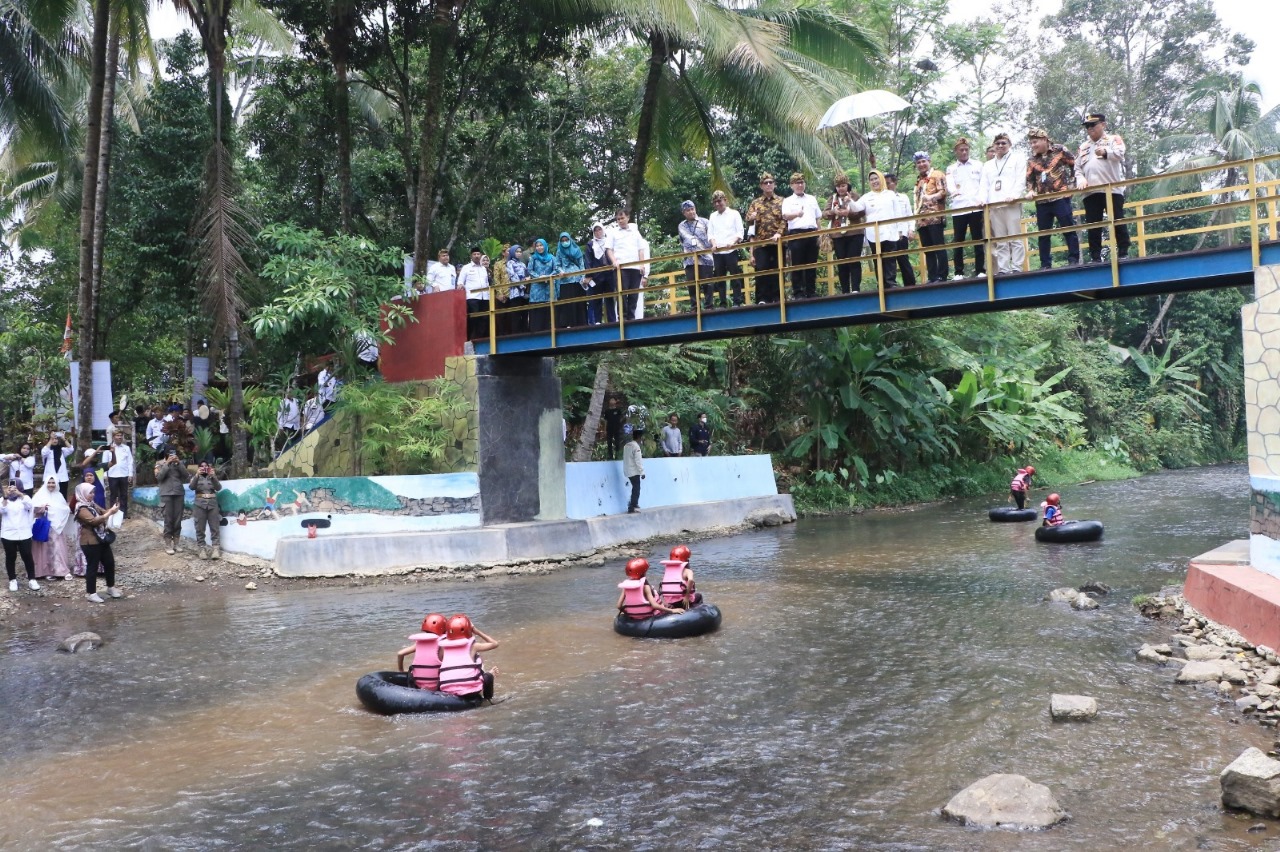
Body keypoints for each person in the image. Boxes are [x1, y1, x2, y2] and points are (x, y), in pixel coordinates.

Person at [1077, 113, 1131, 264]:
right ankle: (1095, 256)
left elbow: (1120, 153)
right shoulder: (1083, 146)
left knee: (1117, 220)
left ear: (1103, 125)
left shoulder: (1113, 139)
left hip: (1111, 188)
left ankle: (1123, 251)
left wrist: (1106, 152)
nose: (1090, 128)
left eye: (1093, 125)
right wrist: (1080, 178)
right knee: (1093, 225)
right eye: (1087, 126)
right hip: (1090, 192)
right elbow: (1077, 168)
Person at [1025, 127, 1080, 269]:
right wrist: (1030, 190)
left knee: (1068, 228)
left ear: (1044, 139)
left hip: (1060, 196)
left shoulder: (1059, 150)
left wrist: (1072, 185)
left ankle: (1073, 259)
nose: (1033, 145)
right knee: (1044, 234)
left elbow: (1074, 165)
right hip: (1042, 201)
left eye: (1035, 142)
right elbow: (1029, 178)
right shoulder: (1031, 159)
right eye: (1031, 143)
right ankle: (1045, 264)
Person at [978, 132, 1028, 275]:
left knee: (1014, 236)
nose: (1000, 146)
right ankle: (1003, 269)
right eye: (997, 143)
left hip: (1011, 203)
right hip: (994, 205)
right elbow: (984, 185)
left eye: (1003, 143)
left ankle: (1017, 267)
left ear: (1009, 145)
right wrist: (982, 199)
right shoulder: (988, 165)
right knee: (1000, 239)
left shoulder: (1017, 159)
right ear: (994, 146)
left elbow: (1020, 180)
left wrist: (1015, 195)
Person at [75, 481, 122, 603]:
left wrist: (113, 509)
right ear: (83, 493)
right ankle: (91, 593)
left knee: (109, 563)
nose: (92, 495)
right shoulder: (81, 508)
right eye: (90, 493)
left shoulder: (92, 504)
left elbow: (104, 512)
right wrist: (110, 513)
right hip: (90, 542)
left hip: (101, 539)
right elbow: (94, 521)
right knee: (92, 567)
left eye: (93, 493)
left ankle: (110, 587)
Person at [946, 137, 985, 279]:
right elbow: (950, 185)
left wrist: (982, 199)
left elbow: (983, 184)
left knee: (978, 239)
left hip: (976, 206)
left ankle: (980, 270)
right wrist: (954, 192)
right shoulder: (951, 168)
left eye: (966, 149)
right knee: (958, 240)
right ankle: (958, 272)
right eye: (961, 150)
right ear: (956, 151)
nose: (964, 152)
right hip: (959, 208)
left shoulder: (978, 165)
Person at [436, 614, 499, 700]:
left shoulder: (444, 647)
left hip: (447, 690)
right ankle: (487, 700)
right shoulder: (473, 646)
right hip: (470, 693)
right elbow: (495, 644)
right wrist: (476, 631)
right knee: (488, 676)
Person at [781, 172, 822, 299]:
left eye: (802, 182)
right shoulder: (788, 200)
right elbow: (785, 216)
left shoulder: (811, 198)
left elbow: (818, 217)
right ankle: (798, 292)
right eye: (797, 183)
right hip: (796, 234)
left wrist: (820, 234)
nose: (800, 185)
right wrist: (796, 214)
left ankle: (811, 291)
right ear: (792, 185)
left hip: (812, 232)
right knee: (797, 264)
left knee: (811, 264)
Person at [746, 173, 785, 303]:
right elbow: (749, 222)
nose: (768, 185)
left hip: (777, 242)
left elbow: (785, 220)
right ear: (761, 186)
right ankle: (762, 299)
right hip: (761, 243)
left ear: (774, 184)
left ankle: (777, 298)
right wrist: (751, 218)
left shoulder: (782, 201)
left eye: (770, 182)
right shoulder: (756, 203)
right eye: (765, 183)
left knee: (777, 270)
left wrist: (779, 233)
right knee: (761, 270)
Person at [824, 174, 866, 294]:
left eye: (843, 186)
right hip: (838, 235)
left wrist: (849, 213)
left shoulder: (855, 196)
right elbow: (824, 214)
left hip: (855, 233)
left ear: (847, 185)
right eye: (838, 186)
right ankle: (845, 291)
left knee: (854, 260)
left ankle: (856, 289)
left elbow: (862, 212)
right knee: (842, 263)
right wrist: (834, 212)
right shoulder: (832, 198)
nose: (841, 188)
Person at [912, 152, 949, 283]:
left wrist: (931, 197)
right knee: (928, 250)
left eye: (923, 161)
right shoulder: (919, 180)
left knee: (938, 246)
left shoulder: (937, 174)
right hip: (922, 220)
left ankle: (942, 275)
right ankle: (932, 276)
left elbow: (944, 192)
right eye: (918, 162)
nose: (921, 164)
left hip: (935, 217)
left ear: (929, 162)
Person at [606, 207, 648, 319]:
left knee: (634, 294)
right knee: (622, 294)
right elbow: (609, 249)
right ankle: (623, 318)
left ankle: (631, 317)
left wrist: (642, 265)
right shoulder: (613, 232)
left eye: (622, 218)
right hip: (621, 268)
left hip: (635, 267)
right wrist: (614, 261)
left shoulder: (635, 232)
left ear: (628, 218)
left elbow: (641, 249)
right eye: (618, 219)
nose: (620, 221)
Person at [707, 190, 745, 307]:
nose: (717, 204)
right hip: (718, 252)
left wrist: (733, 242)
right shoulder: (713, 216)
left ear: (725, 200)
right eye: (715, 202)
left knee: (735, 277)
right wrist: (713, 244)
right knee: (720, 279)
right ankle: (722, 303)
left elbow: (740, 232)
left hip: (731, 250)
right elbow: (710, 234)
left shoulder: (734, 214)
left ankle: (737, 301)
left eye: (719, 201)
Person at [31, 474, 71, 580]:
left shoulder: (59, 496)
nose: (51, 485)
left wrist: (58, 509)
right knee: (44, 549)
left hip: (56, 527)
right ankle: (46, 571)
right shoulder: (40, 495)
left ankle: (61, 570)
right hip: (44, 526)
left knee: (57, 548)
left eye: (53, 483)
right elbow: (32, 508)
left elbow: (65, 509)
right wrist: (42, 508)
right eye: (49, 482)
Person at [678, 200, 715, 311]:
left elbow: (711, 237)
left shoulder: (705, 222)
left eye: (692, 209)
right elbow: (682, 241)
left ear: (695, 209)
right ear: (684, 213)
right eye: (688, 210)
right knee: (692, 285)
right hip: (689, 260)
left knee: (707, 284)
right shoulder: (681, 226)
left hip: (705, 258)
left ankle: (709, 307)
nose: (691, 212)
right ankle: (695, 308)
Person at [2, 481, 39, 592]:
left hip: (24, 533)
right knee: (10, 556)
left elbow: (30, 506)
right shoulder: (3, 499)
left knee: (27, 555)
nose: (12, 489)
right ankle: (12, 580)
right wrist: (5, 497)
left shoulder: (25, 498)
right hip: (8, 534)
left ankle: (32, 579)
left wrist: (19, 494)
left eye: (15, 487)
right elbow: (2, 509)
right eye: (10, 487)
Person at [396, 612, 448, 689]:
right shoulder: (442, 644)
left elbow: (400, 654)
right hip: (436, 686)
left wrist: (401, 670)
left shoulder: (419, 642)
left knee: (411, 668)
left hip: (418, 685)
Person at [155, 450, 189, 554]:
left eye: (173, 453)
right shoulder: (159, 464)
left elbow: (186, 476)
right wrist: (167, 464)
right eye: (170, 454)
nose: (172, 455)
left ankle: (177, 544)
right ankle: (168, 545)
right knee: (168, 520)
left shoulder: (179, 463)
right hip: (166, 494)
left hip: (178, 493)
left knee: (178, 520)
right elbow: (159, 477)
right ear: (166, 454)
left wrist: (179, 463)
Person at [190, 460, 222, 560]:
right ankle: (201, 548)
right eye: (202, 466)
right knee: (200, 527)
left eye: (206, 466)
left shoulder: (212, 476)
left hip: (212, 504)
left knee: (214, 527)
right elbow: (191, 487)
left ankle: (216, 549)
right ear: (199, 468)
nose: (204, 468)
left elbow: (218, 488)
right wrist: (196, 475)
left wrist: (214, 476)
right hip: (199, 504)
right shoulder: (195, 477)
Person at [525, 238, 559, 333]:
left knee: (550, 309)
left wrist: (548, 277)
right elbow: (529, 270)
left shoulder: (552, 258)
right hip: (537, 288)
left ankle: (551, 331)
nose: (539, 247)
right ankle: (536, 332)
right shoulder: (533, 258)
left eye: (541, 245)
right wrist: (539, 277)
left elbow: (556, 269)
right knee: (537, 311)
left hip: (549, 287)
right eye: (537, 246)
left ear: (545, 246)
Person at [554, 231, 586, 328]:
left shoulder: (577, 250)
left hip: (577, 280)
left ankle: (581, 324)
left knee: (579, 303)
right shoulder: (559, 252)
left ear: (570, 240)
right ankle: (568, 324)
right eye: (563, 240)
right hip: (566, 281)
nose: (565, 242)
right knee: (567, 303)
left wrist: (583, 276)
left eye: (566, 240)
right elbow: (557, 265)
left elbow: (581, 264)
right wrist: (561, 271)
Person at [458, 246, 490, 340]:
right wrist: (460, 285)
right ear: (471, 256)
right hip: (472, 297)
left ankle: (481, 339)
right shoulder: (466, 268)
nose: (476, 256)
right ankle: (472, 339)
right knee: (474, 318)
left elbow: (486, 283)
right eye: (474, 254)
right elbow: (460, 282)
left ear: (480, 255)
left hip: (484, 297)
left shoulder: (483, 268)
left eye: (478, 254)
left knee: (484, 318)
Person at [584, 226, 615, 325]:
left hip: (609, 274)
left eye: (600, 229)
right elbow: (588, 260)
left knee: (610, 297)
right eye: (595, 230)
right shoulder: (590, 244)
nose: (598, 232)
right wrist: (589, 274)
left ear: (603, 230)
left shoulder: (608, 241)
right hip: (596, 275)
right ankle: (597, 321)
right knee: (597, 298)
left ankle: (612, 321)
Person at [101, 432, 134, 517]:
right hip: (112, 475)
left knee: (124, 495)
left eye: (121, 436)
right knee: (113, 495)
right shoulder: (108, 448)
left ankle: (123, 514)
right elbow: (104, 462)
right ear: (113, 437)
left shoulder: (126, 448)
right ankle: (113, 514)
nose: (119, 437)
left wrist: (130, 474)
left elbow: (130, 461)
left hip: (124, 474)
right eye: (117, 435)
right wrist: (105, 474)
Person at [660, 543, 702, 609]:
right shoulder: (687, 571)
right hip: (683, 602)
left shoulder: (667, 572)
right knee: (699, 596)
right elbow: (691, 580)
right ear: (686, 560)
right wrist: (687, 596)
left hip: (671, 602)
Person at [504, 244, 530, 334]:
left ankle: (525, 331)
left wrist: (527, 279)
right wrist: (522, 285)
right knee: (516, 314)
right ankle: (516, 333)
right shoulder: (510, 263)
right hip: (515, 292)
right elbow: (512, 276)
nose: (519, 253)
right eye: (517, 252)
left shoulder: (522, 264)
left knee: (524, 313)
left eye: (520, 252)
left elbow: (527, 274)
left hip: (524, 292)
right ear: (512, 253)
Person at [41, 433, 75, 498]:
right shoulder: (47, 451)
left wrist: (64, 439)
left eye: (56, 439)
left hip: (62, 478)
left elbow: (71, 449)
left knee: (62, 496)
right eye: (53, 439)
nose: (55, 440)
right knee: (49, 497)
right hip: (50, 479)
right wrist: (51, 439)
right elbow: (44, 452)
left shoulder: (62, 450)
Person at [623, 429, 645, 514]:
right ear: (639, 437)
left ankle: (632, 505)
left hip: (627, 470)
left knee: (635, 487)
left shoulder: (626, 445)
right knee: (636, 488)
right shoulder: (636, 447)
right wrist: (642, 472)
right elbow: (638, 461)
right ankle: (633, 506)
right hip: (634, 471)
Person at [603, 393, 626, 460]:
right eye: (611, 400)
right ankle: (610, 456)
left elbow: (622, 418)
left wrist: (619, 423)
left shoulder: (618, 410)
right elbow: (605, 421)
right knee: (609, 443)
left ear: (615, 402)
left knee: (617, 443)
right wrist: (605, 430)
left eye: (613, 400)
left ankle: (617, 456)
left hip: (617, 429)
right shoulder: (607, 411)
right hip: (609, 428)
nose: (612, 401)